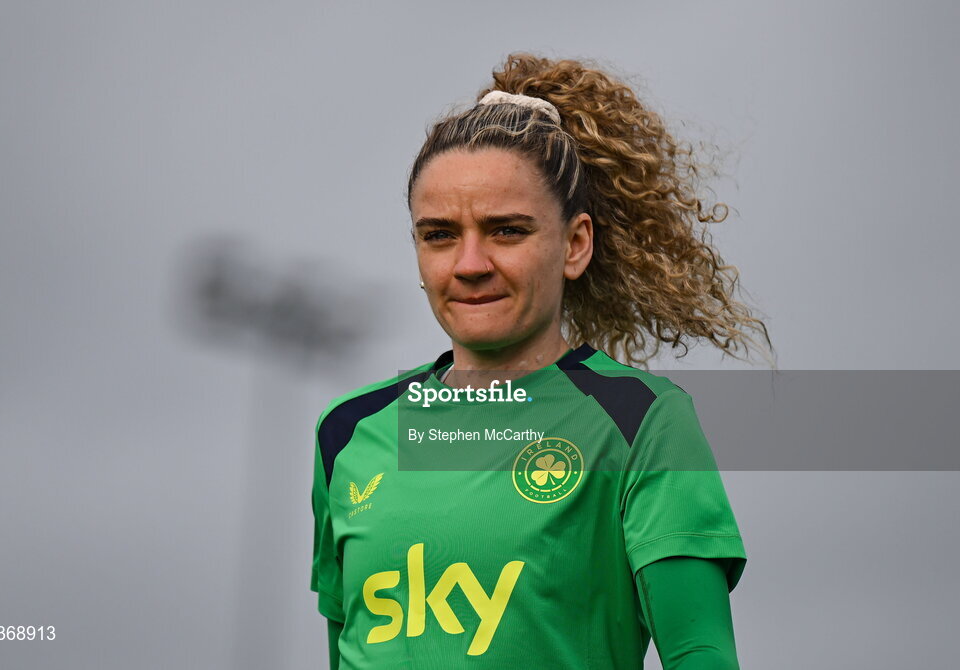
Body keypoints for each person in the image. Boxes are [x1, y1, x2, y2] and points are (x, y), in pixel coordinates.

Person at [310, 52, 774, 669]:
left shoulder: (641, 421)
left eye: (506, 230)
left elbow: (702, 655)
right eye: (440, 234)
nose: (470, 264)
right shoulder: (348, 433)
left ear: (575, 244)